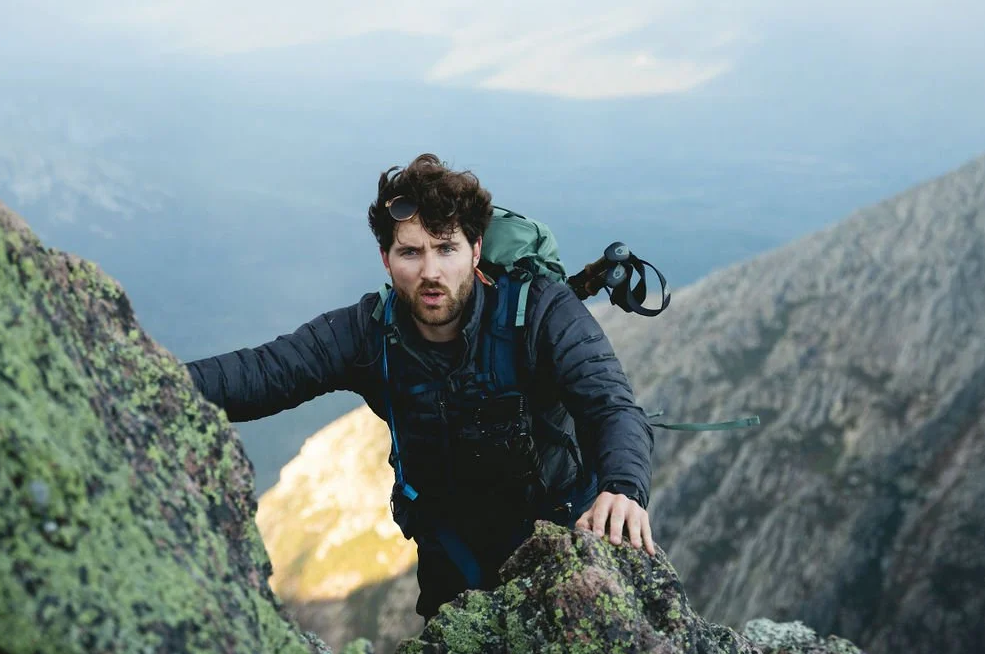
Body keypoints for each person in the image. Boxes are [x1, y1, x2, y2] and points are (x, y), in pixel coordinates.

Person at [186, 154, 655, 621]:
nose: (430, 272)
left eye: (446, 249)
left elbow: (612, 407)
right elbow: (263, 373)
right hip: (454, 561)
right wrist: (136, 374)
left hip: (562, 539)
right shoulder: (369, 333)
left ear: (475, 251)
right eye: (410, 252)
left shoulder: (539, 312)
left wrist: (623, 487)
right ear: (386, 260)